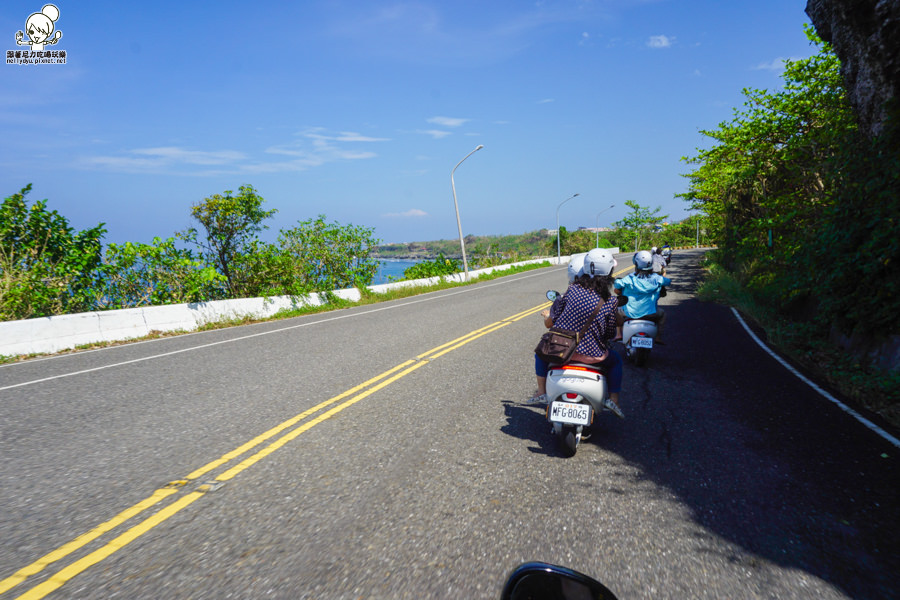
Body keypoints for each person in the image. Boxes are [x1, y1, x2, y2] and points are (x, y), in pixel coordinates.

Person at [529, 249, 625, 418]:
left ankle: (541, 392)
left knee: (540, 353)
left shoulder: (572, 290)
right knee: (616, 360)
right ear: (610, 272)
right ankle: (614, 399)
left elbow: (555, 317)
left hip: (563, 351)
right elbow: (610, 333)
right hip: (594, 356)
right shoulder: (610, 301)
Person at [614, 250, 671, 342]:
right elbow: (668, 282)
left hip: (629, 313)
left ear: (636, 263)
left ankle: (618, 334)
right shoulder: (657, 278)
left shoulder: (629, 278)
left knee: (615, 310)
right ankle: (658, 337)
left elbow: (617, 285)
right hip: (651, 314)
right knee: (662, 314)